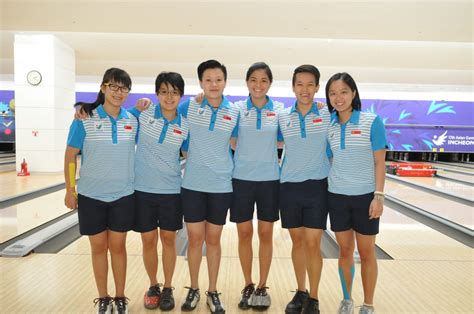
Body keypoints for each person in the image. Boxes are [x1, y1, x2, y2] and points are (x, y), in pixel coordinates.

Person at [64, 67, 137, 314]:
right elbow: (71, 156)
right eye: (113, 86)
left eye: (123, 88)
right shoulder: (85, 118)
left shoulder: (131, 119)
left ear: (128, 92)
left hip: (123, 195)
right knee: (98, 248)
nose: (118, 92)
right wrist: (69, 189)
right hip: (91, 195)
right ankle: (103, 297)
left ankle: (120, 297)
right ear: (103, 87)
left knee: (118, 247)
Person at [179, 60, 239, 314]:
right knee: (194, 239)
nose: (214, 84)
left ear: (225, 82)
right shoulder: (188, 106)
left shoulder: (234, 112)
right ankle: (193, 287)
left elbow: (237, 144)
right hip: (192, 184)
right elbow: (177, 136)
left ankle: (212, 290)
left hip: (220, 185)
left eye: (218, 79)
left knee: (213, 240)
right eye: (208, 80)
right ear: (201, 83)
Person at [325, 72, 387, 314]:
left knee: (367, 251)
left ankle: (368, 303)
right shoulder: (328, 124)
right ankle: (347, 299)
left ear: (353, 93)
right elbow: (330, 158)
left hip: (365, 198)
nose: (338, 98)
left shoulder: (372, 121)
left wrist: (378, 196)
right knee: (344, 251)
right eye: (333, 93)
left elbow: (380, 162)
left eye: (343, 92)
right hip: (337, 196)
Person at [132, 72, 189, 311]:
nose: (169, 96)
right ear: (157, 94)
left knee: (167, 240)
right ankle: (153, 285)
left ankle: (167, 287)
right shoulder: (141, 115)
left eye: (174, 92)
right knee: (147, 240)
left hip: (170, 191)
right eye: (164, 91)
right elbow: (115, 118)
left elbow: (189, 155)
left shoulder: (184, 125)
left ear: (180, 95)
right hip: (142, 190)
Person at [230, 62, 283, 311]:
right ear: (247, 82)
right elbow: (227, 137)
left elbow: (287, 138)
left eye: (263, 80)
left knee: (265, 234)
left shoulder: (280, 111)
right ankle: (248, 283)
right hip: (240, 180)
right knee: (244, 234)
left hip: (270, 180)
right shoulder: (237, 109)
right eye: (253, 79)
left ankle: (262, 285)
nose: (258, 85)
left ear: (269, 83)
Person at [278, 65, 330, 314]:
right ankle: (301, 291)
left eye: (310, 84)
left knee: (313, 243)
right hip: (288, 186)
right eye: (300, 84)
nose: (305, 89)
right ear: (293, 87)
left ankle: (315, 297)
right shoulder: (283, 117)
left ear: (317, 87)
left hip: (317, 187)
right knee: (297, 241)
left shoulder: (327, 116)